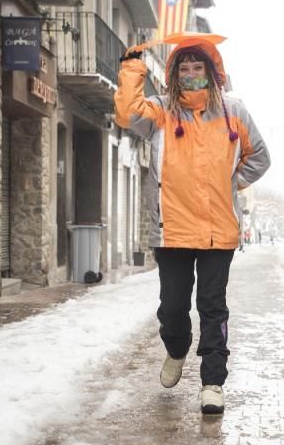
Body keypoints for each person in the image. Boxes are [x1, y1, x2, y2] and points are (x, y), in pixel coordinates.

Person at [114, 33, 270, 415]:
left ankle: (213, 381)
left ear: (212, 71)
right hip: (173, 230)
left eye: (198, 67)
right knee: (172, 307)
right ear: (173, 74)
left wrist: (230, 184)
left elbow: (260, 157)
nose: (191, 74)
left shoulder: (235, 111)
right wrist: (133, 67)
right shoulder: (161, 110)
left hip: (219, 230)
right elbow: (126, 114)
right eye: (183, 68)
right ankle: (176, 348)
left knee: (213, 307)